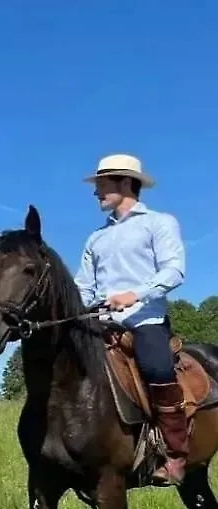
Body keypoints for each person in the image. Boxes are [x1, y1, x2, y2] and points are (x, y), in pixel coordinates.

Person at [74, 153, 188, 486]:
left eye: (102, 185)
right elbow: (84, 285)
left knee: (157, 367)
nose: (96, 192)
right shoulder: (95, 238)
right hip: (101, 323)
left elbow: (174, 270)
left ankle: (174, 453)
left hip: (145, 320)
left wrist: (135, 294)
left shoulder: (159, 223)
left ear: (126, 183)